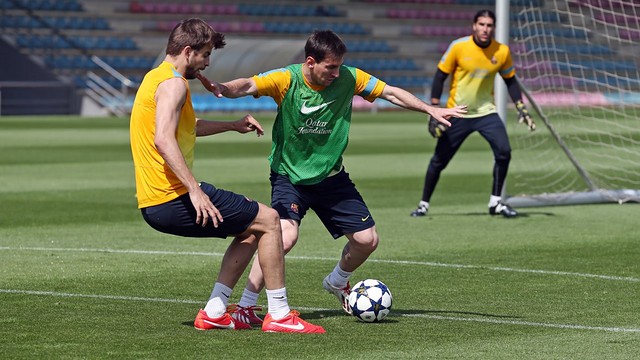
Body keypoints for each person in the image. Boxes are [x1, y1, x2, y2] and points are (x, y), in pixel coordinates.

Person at [196, 29, 467, 324]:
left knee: (367, 240)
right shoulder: (288, 79)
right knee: (283, 237)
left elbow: (389, 91)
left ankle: (337, 281)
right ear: (311, 62)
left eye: (339, 66)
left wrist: (429, 109)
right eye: (331, 67)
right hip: (290, 177)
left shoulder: (350, 77)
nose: (338, 74)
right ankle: (247, 305)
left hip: (332, 177)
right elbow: (248, 84)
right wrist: (223, 87)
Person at [129, 18, 324, 334]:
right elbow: (163, 139)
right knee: (272, 220)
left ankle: (215, 311)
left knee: (251, 229)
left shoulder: (155, 79)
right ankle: (279, 314)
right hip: (173, 195)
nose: (207, 63)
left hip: (155, 201)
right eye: (205, 55)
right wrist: (194, 190)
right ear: (188, 51)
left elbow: (186, 128)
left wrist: (232, 124)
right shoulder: (175, 84)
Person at [410, 9, 536, 219]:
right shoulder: (459, 47)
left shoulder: (501, 51)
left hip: (486, 112)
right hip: (458, 112)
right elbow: (440, 77)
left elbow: (510, 81)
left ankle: (495, 202)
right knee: (439, 161)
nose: (485, 29)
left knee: (504, 152)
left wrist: (521, 106)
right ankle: (423, 204)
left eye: (489, 25)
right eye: (481, 24)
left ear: (493, 28)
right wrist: (434, 109)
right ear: (474, 26)